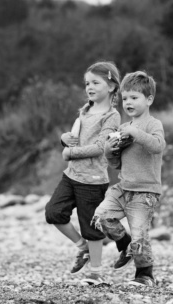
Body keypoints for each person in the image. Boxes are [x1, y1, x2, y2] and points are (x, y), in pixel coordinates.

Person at [44, 61, 121, 286]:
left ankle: (95, 273)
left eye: (96, 82)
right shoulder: (86, 109)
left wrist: (70, 153)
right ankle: (82, 248)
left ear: (112, 87)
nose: (90, 87)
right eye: (87, 83)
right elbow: (75, 136)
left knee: (91, 226)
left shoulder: (112, 116)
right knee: (53, 212)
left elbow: (99, 146)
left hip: (93, 180)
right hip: (72, 176)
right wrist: (64, 139)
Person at [92, 71, 165, 287]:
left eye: (134, 98)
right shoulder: (123, 129)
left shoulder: (153, 124)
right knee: (101, 217)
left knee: (140, 235)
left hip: (145, 192)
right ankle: (124, 245)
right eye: (125, 98)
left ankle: (145, 274)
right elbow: (116, 164)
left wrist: (135, 133)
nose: (128, 102)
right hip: (123, 187)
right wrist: (109, 150)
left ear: (149, 99)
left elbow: (157, 146)